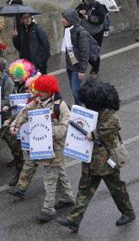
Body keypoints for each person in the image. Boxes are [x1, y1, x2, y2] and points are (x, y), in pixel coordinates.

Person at [57, 80, 136, 232]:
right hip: (90, 159)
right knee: (84, 189)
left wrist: (92, 134)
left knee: (117, 189)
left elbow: (110, 127)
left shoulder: (110, 115)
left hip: (106, 161)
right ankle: (73, 220)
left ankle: (128, 212)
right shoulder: (93, 112)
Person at [8, 75, 75, 223]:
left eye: (43, 91)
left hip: (55, 146)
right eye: (39, 90)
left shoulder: (61, 105)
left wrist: (50, 131)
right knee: (59, 171)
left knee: (50, 178)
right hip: (42, 145)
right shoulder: (37, 101)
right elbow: (24, 112)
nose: (40, 93)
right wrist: (15, 125)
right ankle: (68, 197)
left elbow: (65, 126)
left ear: (50, 90)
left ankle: (48, 209)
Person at [60, 9, 90, 105]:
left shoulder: (81, 32)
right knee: (75, 90)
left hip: (77, 67)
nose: (61, 20)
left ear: (70, 19)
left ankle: (81, 110)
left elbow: (84, 52)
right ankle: (80, 109)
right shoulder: (67, 30)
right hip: (70, 66)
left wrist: (82, 70)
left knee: (76, 91)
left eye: (64, 18)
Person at [75, 0, 108, 79]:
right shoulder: (82, 5)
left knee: (94, 52)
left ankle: (95, 70)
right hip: (85, 32)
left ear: (91, 0)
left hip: (96, 33)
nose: (85, 1)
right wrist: (79, 12)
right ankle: (94, 66)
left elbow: (100, 20)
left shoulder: (99, 7)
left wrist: (88, 18)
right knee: (85, 51)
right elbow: (75, 12)